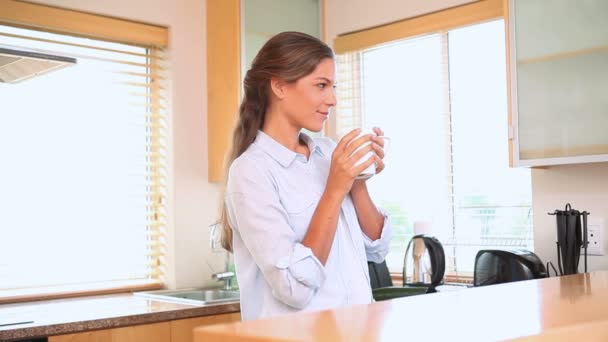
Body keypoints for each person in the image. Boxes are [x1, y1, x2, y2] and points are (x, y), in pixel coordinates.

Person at [219, 31, 392, 321]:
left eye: (333, 86)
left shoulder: (327, 153)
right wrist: (335, 189)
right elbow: (293, 287)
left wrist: (357, 178)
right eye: (321, 85)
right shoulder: (251, 172)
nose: (333, 99)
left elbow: (378, 248)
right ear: (279, 86)